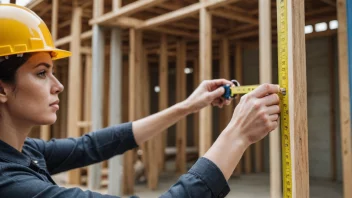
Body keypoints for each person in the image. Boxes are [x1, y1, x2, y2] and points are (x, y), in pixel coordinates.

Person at [0, 3, 281, 198]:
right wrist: (237, 136)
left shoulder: (24, 152)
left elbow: (94, 146)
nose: (58, 86)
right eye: (41, 73)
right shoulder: (10, 183)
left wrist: (187, 106)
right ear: (2, 89)